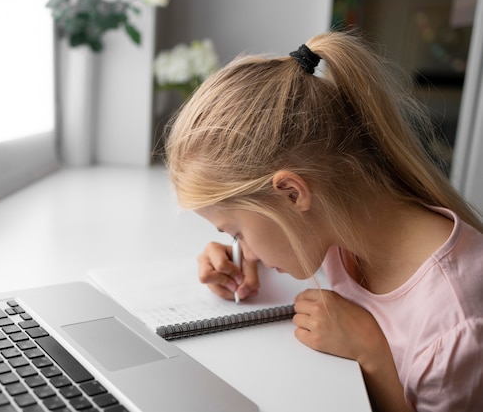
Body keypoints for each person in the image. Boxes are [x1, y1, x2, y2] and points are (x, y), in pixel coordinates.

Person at [164, 30, 483, 412]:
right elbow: (289, 236)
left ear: (292, 193)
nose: (243, 247)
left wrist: (372, 354)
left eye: (237, 232)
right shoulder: (340, 224)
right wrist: (245, 260)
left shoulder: (457, 327)